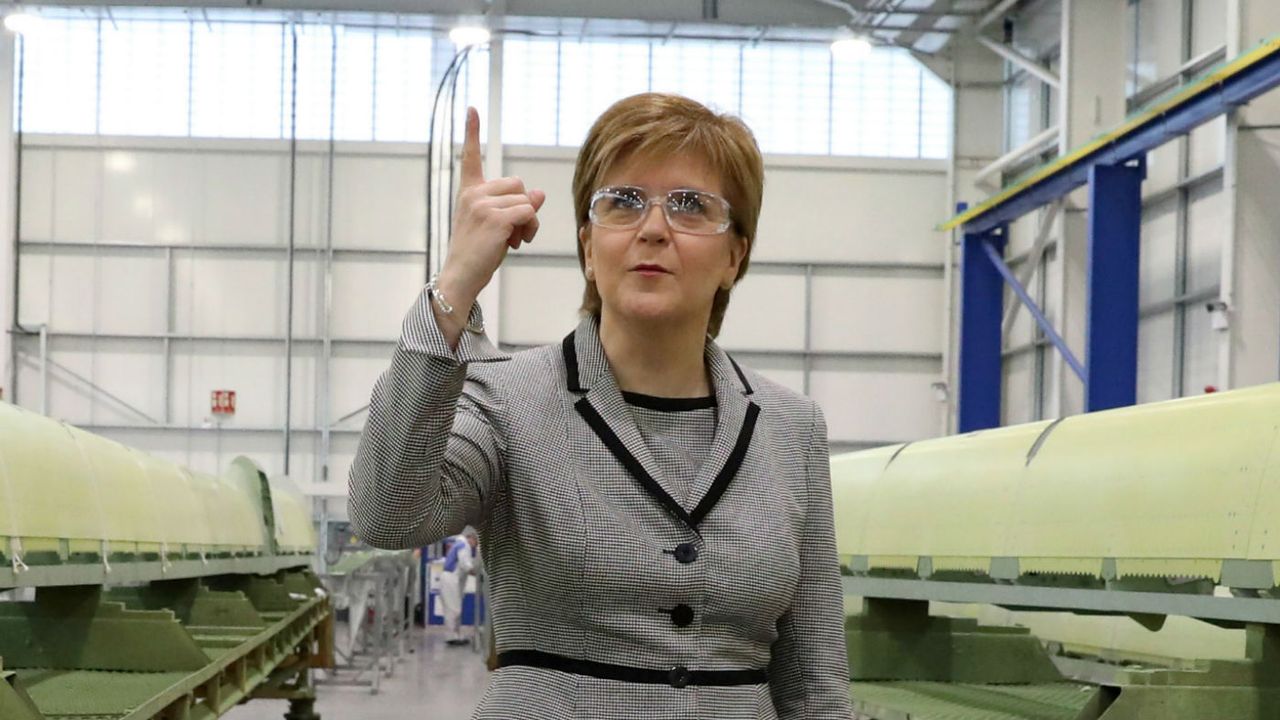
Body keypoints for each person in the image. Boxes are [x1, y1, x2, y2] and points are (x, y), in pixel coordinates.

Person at [349, 93, 851, 719]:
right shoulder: (507, 398)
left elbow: (815, 685)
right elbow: (386, 516)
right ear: (589, 247)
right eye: (623, 201)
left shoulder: (791, 429)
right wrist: (454, 286)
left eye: (691, 205)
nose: (653, 227)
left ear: (734, 257)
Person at [438, 531, 477, 646]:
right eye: (476, 542)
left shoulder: (459, 543)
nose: (476, 545)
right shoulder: (464, 545)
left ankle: (455, 635)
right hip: (451, 579)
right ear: (472, 538)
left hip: (451, 579)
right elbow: (466, 565)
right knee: (453, 609)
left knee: (453, 608)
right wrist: (477, 573)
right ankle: (451, 637)